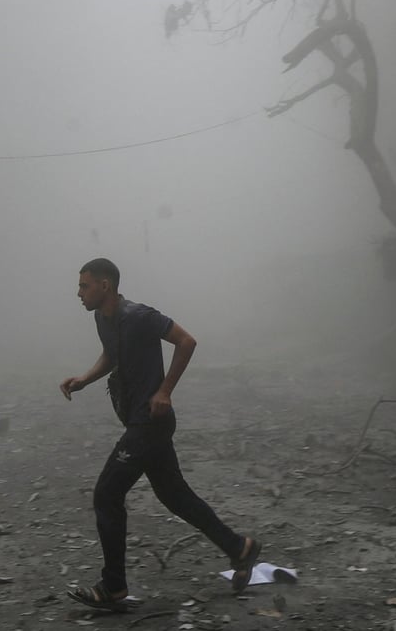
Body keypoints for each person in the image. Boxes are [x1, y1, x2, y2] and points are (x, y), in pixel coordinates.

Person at [60, 258, 261, 612]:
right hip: (139, 422)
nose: (79, 293)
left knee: (107, 494)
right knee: (175, 495)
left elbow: (186, 341)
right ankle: (239, 548)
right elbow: (111, 354)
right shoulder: (102, 318)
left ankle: (113, 586)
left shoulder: (140, 316)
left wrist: (165, 391)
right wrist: (84, 380)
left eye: (84, 286)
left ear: (105, 285)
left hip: (149, 424)